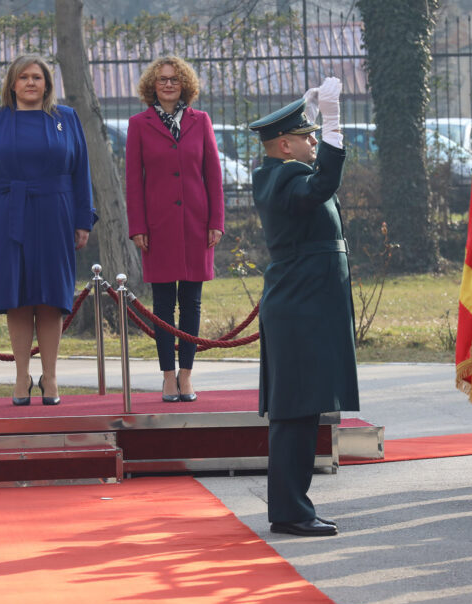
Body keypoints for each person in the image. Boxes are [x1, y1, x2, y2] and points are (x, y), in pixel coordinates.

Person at [249, 78, 359, 537]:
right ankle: (291, 510)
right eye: (307, 136)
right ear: (283, 144)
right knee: (294, 413)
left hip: (307, 306)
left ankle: (296, 506)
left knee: (304, 410)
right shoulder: (285, 177)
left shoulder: (287, 173)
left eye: (316, 134)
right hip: (300, 307)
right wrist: (333, 125)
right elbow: (324, 184)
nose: (313, 141)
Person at [0, 54, 96, 406]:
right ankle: (22, 375)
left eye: (37, 77)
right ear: (12, 83)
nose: (30, 83)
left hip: (56, 213)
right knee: (17, 296)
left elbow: (80, 171)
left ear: (47, 84)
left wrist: (84, 219)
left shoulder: (65, 118)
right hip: (7, 214)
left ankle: (50, 376)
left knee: (51, 297)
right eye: (23, 77)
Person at [125, 56, 225, 402]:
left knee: (192, 303)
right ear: (153, 84)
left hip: (197, 224)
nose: (168, 84)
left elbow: (213, 174)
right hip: (158, 227)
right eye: (162, 79)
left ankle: (186, 376)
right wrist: (137, 226)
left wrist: (216, 222)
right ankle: (167, 376)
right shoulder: (139, 124)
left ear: (185, 84)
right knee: (164, 304)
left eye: (175, 79)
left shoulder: (201, 121)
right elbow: (133, 183)